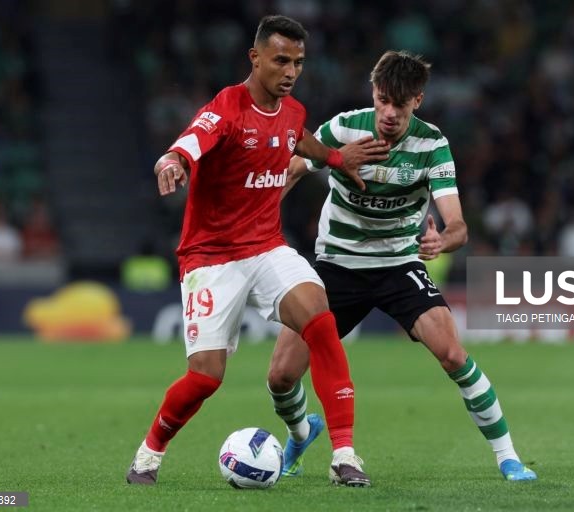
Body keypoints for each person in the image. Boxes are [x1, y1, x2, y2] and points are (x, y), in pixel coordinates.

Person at [126, 15, 389, 487]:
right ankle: (148, 454)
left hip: (266, 246)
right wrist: (173, 160)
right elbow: (193, 138)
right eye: (281, 60)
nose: (290, 71)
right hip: (210, 257)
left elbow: (297, 138)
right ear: (256, 58)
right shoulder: (228, 106)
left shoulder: (292, 111)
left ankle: (345, 454)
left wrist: (333, 158)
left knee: (321, 322)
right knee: (205, 377)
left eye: (299, 63)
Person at [267, 50, 538, 482]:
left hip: (398, 265)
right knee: (281, 376)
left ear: (418, 101)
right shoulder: (343, 128)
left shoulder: (432, 145)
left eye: (400, 103)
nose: (389, 113)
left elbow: (459, 227)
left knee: (452, 354)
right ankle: (300, 433)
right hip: (336, 265)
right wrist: (260, 212)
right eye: (383, 100)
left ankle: (508, 458)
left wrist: (441, 239)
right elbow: (294, 167)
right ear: (374, 94)